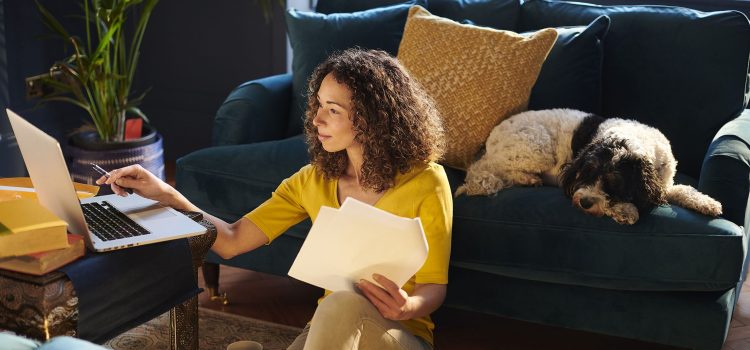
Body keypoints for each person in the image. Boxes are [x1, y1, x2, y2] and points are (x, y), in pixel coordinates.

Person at [97, 48, 452, 350]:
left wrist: (406, 307)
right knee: (333, 310)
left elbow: (433, 286)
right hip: (328, 328)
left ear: (373, 120)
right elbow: (233, 242)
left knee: (342, 303)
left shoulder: (426, 181)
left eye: (333, 109)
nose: (316, 119)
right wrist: (165, 193)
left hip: (398, 333)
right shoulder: (312, 180)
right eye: (318, 105)